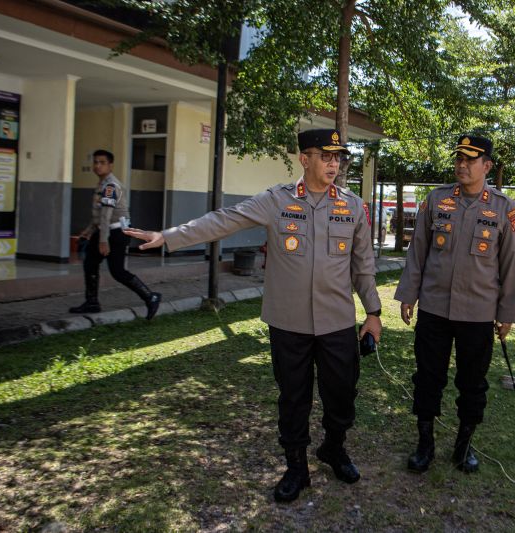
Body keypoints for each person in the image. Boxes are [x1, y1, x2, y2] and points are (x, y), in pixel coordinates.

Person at [124, 129, 382, 503]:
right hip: (288, 323)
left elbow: (363, 266)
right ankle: (296, 466)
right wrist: (170, 236)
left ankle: (334, 448)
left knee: (341, 395)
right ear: (304, 159)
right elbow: (224, 219)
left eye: (338, 157)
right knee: (293, 398)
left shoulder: (352, 205)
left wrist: (373, 312)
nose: (333, 164)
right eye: (324, 156)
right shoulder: (275, 201)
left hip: (337, 322)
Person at [394, 135, 515, 474]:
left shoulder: (502, 208)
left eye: (470, 159)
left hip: (478, 313)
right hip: (434, 308)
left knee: (472, 382)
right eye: (458, 159)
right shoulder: (436, 200)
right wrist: (409, 293)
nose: (462, 165)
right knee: (427, 377)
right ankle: (425, 444)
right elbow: (417, 250)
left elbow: (511, 265)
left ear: (487, 166)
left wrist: (506, 312)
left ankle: (464, 447)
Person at [69, 149, 161, 319]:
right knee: (90, 263)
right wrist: (89, 231)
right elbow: (99, 215)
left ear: (110, 165)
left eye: (102, 162)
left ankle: (151, 297)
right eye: (95, 162)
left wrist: (103, 241)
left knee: (117, 271)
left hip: (116, 232)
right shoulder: (102, 184)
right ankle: (92, 302)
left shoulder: (110, 186)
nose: (97, 166)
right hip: (106, 230)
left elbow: (106, 215)